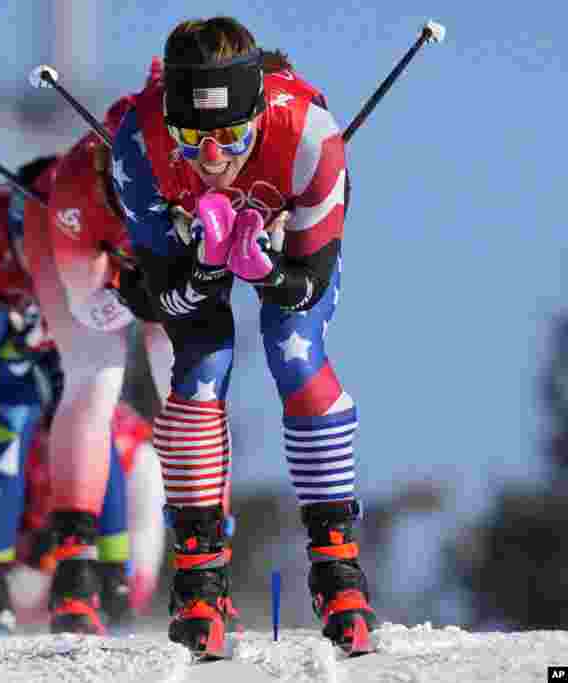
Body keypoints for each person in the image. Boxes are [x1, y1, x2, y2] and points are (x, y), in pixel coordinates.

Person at [109, 16, 374, 656]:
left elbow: (310, 285)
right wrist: (201, 268)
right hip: (188, 242)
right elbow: (154, 298)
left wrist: (269, 267)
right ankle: (200, 575)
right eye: (191, 135)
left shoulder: (311, 136)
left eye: (231, 135)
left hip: (284, 230)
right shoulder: (138, 145)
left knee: (296, 352)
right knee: (200, 365)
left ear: (258, 112)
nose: (211, 157)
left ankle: (337, 566)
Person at [0, 157, 144, 635]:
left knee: (91, 416)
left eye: (57, 248)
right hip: (1, 335)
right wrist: (15, 344)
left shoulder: (98, 230)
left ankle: (111, 577)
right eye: (35, 247)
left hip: (65, 331)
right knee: (10, 416)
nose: (46, 259)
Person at [20, 62, 183, 635]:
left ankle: (206, 557)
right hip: (81, 256)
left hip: (157, 266)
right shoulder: (76, 188)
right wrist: (136, 290)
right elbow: (92, 307)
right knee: (96, 374)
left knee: (189, 379)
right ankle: (75, 566)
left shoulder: (206, 171)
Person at [13, 401, 165, 628]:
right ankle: (78, 600)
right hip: (65, 519)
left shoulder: (131, 454)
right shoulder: (28, 442)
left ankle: (113, 602)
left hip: (131, 469)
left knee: (131, 581)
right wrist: (39, 548)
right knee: (24, 591)